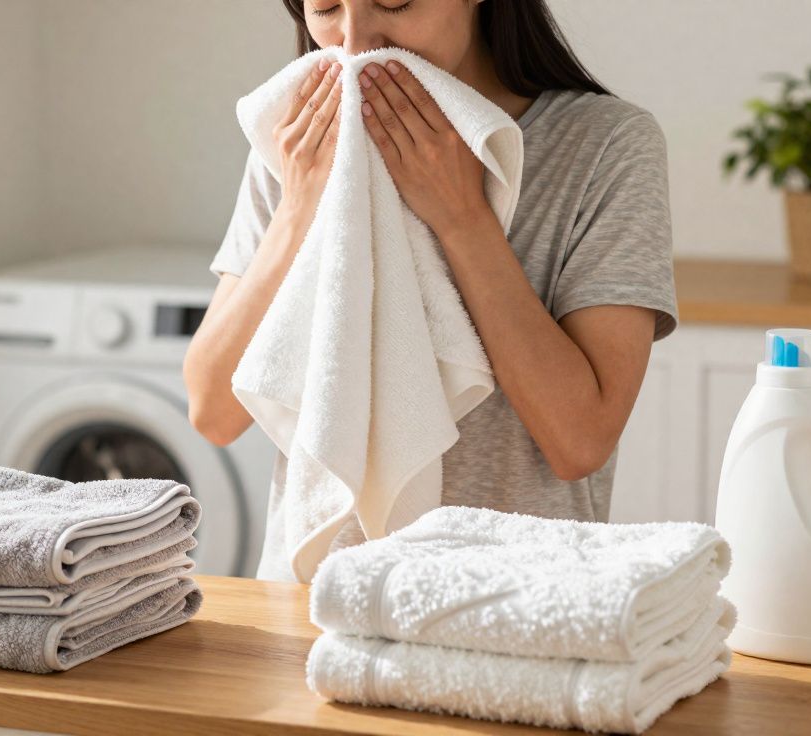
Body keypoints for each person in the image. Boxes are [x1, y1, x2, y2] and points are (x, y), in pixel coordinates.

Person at [183, 0, 678, 582]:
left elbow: (580, 442)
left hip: (518, 602)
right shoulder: (299, 133)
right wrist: (297, 209)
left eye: (394, 2)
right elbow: (213, 411)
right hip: (316, 604)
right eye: (325, 9)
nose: (354, 44)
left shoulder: (605, 145)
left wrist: (464, 217)